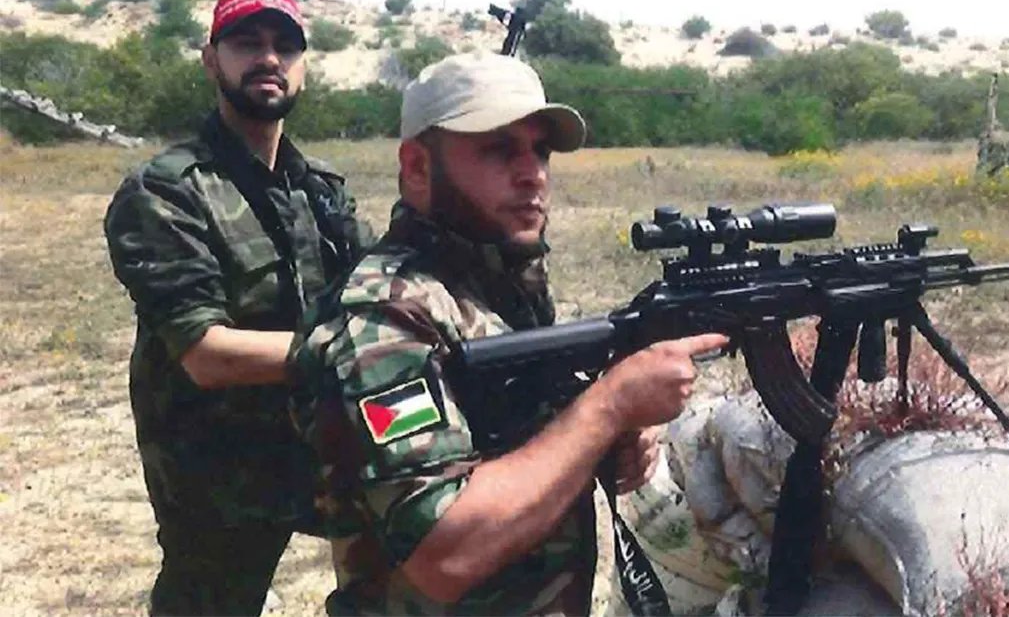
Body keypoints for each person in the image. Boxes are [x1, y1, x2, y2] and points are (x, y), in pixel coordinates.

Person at [286, 50, 729, 615]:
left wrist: (602, 443)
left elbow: (522, 449)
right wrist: (608, 407)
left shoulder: (498, 285)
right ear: (418, 167)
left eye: (540, 151)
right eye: (498, 150)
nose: (533, 173)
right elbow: (442, 555)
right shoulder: (380, 317)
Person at [103, 0, 375, 615]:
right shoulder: (167, 192)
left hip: (322, 442)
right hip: (216, 469)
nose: (268, 58)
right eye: (247, 43)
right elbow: (205, 353)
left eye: (285, 45)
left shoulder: (321, 190)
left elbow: (371, 290)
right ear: (211, 60)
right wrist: (370, 351)